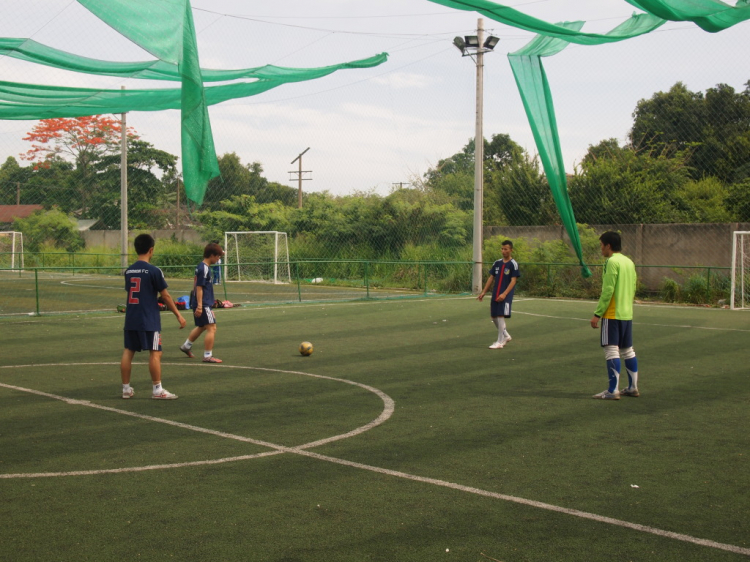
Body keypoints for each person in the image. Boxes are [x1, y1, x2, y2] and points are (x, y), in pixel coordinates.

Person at [121, 233, 186, 400]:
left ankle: (126, 389)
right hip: (148, 319)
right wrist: (178, 315)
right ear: (151, 250)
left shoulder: (129, 271)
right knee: (156, 352)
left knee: (129, 351)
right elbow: (165, 296)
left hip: (131, 317)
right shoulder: (154, 271)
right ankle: (157, 389)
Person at [590, 231, 640, 400]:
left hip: (612, 313)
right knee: (627, 350)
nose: (601, 249)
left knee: (611, 350)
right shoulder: (629, 262)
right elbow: (633, 287)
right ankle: (632, 387)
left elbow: (608, 290)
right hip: (626, 313)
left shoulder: (611, 262)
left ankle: (613, 390)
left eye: (601, 245)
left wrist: (598, 313)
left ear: (608, 246)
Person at [180, 242, 224, 363]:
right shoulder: (203, 268)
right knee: (212, 328)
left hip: (202, 303)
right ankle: (207, 356)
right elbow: (199, 287)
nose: (218, 259)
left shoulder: (202, 267)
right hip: (202, 303)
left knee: (203, 326)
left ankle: (186, 346)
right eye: (217, 256)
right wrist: (200, 306)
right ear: (211, 255)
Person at [477, 240, 521, 349]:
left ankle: (499, 342)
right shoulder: (497, 263)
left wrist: (505, 294)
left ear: (511, 250)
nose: (503, 251)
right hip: (496, 293)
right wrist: (483, 292)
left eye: (506, 249)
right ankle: (506, 336)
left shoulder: (513, 264)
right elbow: (491, 277)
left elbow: (513, 281)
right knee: (494, 316)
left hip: (505, 295)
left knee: (501, 315)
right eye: (502, 249)